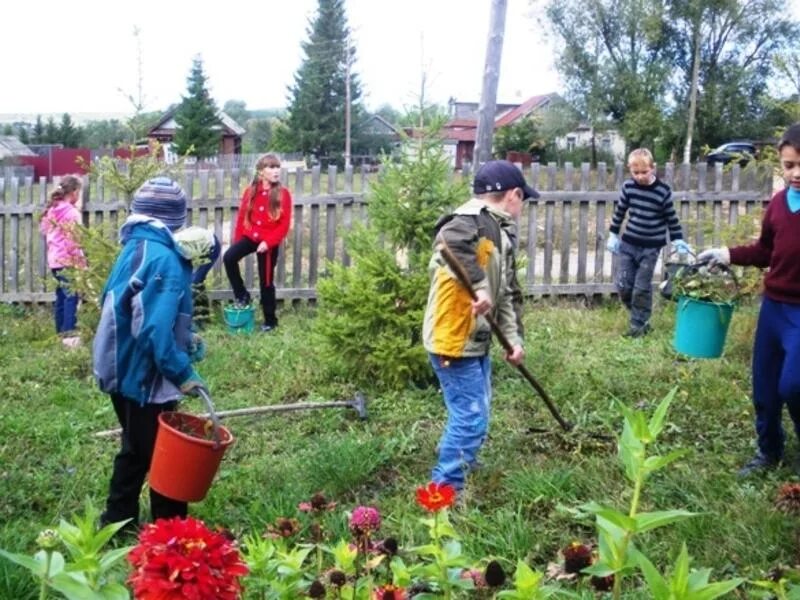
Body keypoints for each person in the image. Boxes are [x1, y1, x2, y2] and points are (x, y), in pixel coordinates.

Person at [93, 176, 206, 530]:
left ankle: (117, 521)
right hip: (141, 374)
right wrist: (182, 370)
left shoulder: (137, 246)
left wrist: (185, 339)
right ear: (175, 221)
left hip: (120, 367)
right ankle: (171, 531)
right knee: (164, 454)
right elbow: (152, 330)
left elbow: (135, 309)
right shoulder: (164, 259)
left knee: (137, 447)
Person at [422, 159, 535, 492]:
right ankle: (444, 491)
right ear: (513, 194)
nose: (522, 206)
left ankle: (464, 459)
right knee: (470, 415)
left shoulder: (500, 233)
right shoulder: (467, 221)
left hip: (477, 339)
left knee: (478, 408)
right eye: (523, 199)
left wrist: (514, 341)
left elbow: (510, 294)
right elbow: (447, 242)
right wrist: (480, 285)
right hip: (453, 338)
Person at [699, 123, 800, 477]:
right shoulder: (777, 204)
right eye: (789, 166)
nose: (796, 173)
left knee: (794, 384)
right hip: (773, 308)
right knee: (766, 387)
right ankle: (769, 452)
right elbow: (765, 251)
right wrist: (726, 253)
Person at [606, 148, 691, 337]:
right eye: (635, 173)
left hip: (651, 248)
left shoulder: (662, 192)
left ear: (653, 168)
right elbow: (620, 212)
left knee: (641, 288)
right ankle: (639, 314)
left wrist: (677, 239)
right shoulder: (629, 188)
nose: (640, 177)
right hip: (628, 244)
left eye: (644, 172)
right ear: (630, 171)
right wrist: (613, 234)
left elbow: (671, 218)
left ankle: (639, 325)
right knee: (623, 285)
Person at [223, 153, 292, 332]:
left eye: (277, 167)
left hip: (268, 243)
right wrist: (238, 242)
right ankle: (242, 295)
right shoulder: (251, 191)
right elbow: (241, 219)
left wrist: (268, 243)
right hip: (251, 237)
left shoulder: (283, 194)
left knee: (266, 281)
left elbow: (283, 226)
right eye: (271, 167)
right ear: (261, 171)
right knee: (229, 258)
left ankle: (270, 321)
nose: (276, 171)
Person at [39, 175, 86, 348]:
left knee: (61, 295)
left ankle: (60, 332)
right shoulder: (72, 213)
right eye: (79, 192)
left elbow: (46, 231)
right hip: (68, 260)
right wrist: (80, 262)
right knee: (71, 296)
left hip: (55, 261)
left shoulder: (52, 210)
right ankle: (70, 336)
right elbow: (75, 239)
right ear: (74, 192)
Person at [174, 226, 222, 329]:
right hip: (197, 246)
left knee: (195, 283)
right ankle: (204, 317)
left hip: (211, 246)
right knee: (195, 281)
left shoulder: (178, 247)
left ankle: (200, 321)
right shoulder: (173, 247)